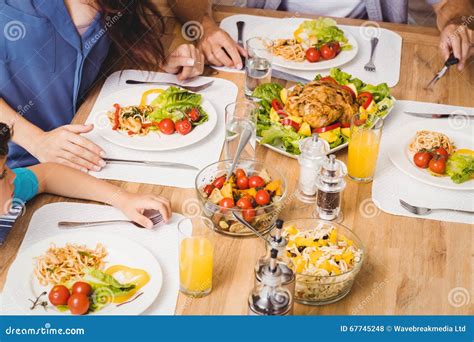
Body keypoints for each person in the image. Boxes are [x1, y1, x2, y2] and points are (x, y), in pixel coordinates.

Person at [0, 0, 205, 171]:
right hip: (14, 168)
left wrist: (160, 58)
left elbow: (119, 34)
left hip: (88, 153)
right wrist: (37, 141)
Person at [169, 0, 473, 71]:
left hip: (366, 48)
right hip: (269, 44)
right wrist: (205, 27)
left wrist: (458, 23)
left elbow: (450, 4)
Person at [0, 123, 172, 236]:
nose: (13, 175)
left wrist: (123, 198)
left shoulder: (12, 187)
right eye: (3, 174)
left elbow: (48, 174)